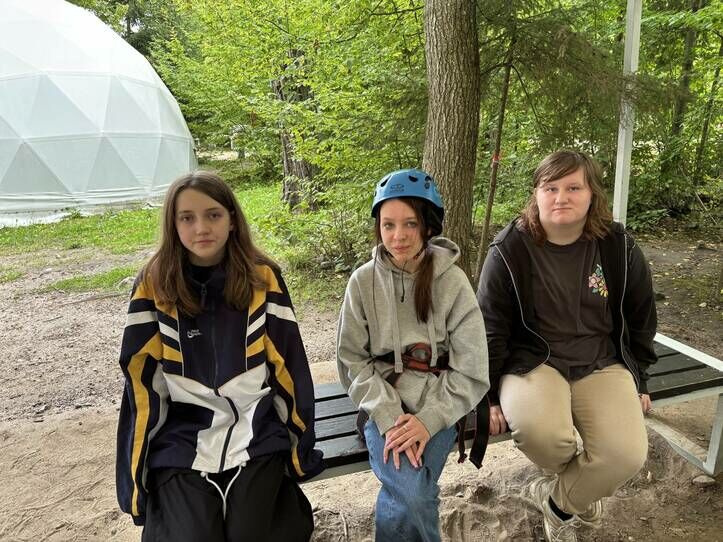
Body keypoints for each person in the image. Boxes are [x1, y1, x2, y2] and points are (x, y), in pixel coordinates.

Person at [116, 171, 323, 541]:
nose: (201, 228)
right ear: (173, 224)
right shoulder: (153, 283)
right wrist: (134, 485)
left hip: (256, 431)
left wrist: (298, 453)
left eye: (213, 215)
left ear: (231, 219)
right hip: (181, 439)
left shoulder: (263, 277)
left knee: (252, 532)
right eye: (187, 217)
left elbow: (289, 368)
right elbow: (142, 385)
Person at [477, 150, 657, 542]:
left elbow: (641, 316)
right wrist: (487, 397)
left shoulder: (617, 246)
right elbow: (490, 329)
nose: (561, 197)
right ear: (536, 194)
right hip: (533, 362)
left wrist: (640, 377)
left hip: (602, 360)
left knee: (626, 455)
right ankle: (583, 492)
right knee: (543, 437)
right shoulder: (510, 250)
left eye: (574, 187)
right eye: (551, 188)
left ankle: (558, 501)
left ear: (592, 194)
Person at [336, 168, 490, 542]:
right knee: (413, 492)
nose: (398, 235)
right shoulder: (363, 282)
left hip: (440, 402)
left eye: (409, 224)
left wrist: (427, 421)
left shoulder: (452, 282)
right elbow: (351, 359)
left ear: (427, 226)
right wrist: (390, 417)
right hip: (382, 400)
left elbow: (471, 368)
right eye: (388, 225)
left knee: (409, 493)